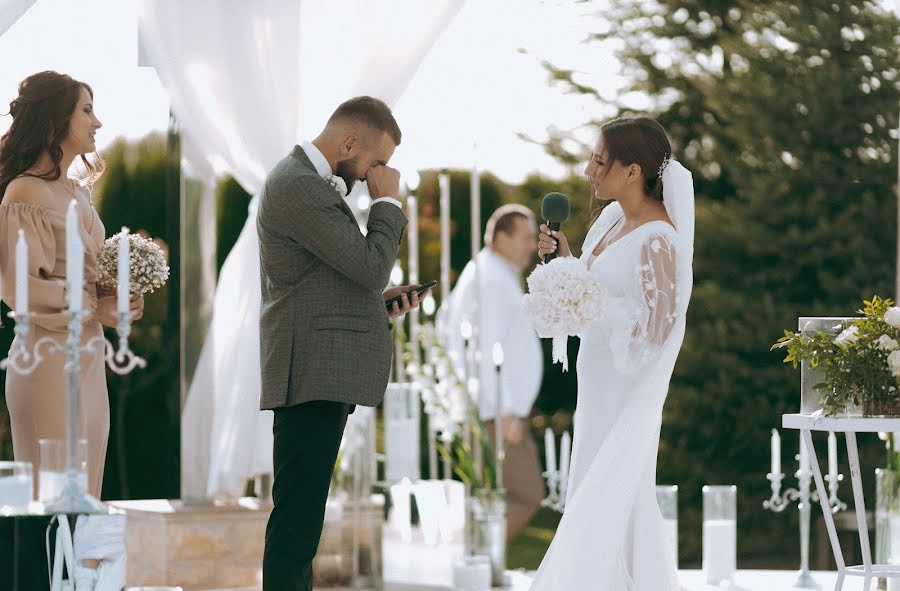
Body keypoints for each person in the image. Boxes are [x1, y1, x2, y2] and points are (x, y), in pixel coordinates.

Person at [257, 96, 425, 591]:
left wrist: (377, 303)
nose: (379, 174)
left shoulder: (304, 183)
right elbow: (372, 265)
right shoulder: (298, 186)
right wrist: (389, 203)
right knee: (296, 526)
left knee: (301, 522)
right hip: (309, 371)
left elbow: (335, 275)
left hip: (316, 370)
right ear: (349, 142)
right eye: (377, 163)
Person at [530, 116, 694, 590]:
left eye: (600, 161)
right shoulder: (611, 221)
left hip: (625, 396)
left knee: (614, 501)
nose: (588, 171)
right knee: (594, 494)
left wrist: (587, 298)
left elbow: (655, 332)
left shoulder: (660, 238)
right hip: (596, 387)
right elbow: (596, 291)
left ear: (633, 171)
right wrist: (565, 267)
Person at [0, 70, 143, 590]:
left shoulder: (78, 194)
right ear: (58, 119)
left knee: (86, 500)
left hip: (87, 358)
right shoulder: (24, 193)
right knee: (49, 505)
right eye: (87, 110)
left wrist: (117, 298)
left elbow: (80, 273)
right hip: (44, 361)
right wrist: (93, 306)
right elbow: (22, 291)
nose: (97, 120)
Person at [438, 204, 544, 541]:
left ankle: (479, 566)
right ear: (501, 237)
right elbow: (484, 350)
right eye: (526, 237)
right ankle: (479, 560)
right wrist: (505, 408)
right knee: (527, 493)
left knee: (491, 498)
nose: (532, 246)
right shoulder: (492, 280)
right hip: (498, 411)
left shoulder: (488, 273)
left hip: (495, 408)